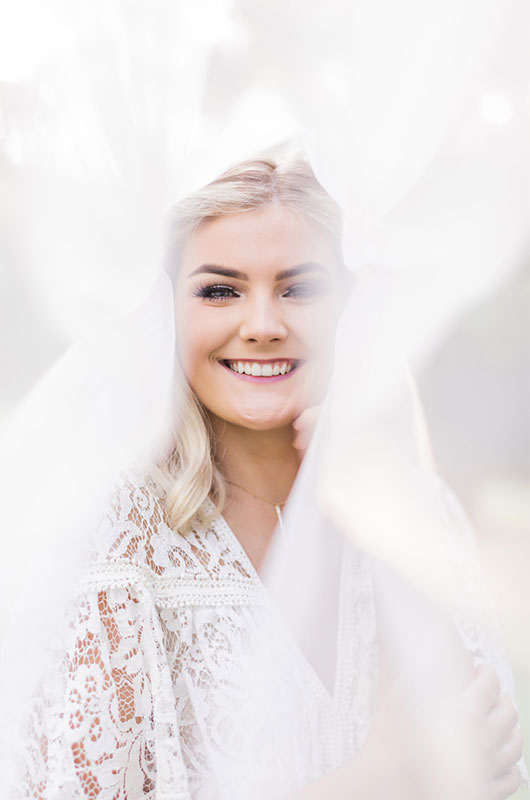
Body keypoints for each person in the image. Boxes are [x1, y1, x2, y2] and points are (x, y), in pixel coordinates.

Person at [14, 157, 524, 799]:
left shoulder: (419, 508)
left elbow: (487, 765)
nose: (262, 325)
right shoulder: (118, 543)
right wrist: (371, 784)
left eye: (300, 288)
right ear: (167, 311)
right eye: (220, 290)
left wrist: (388, 536)